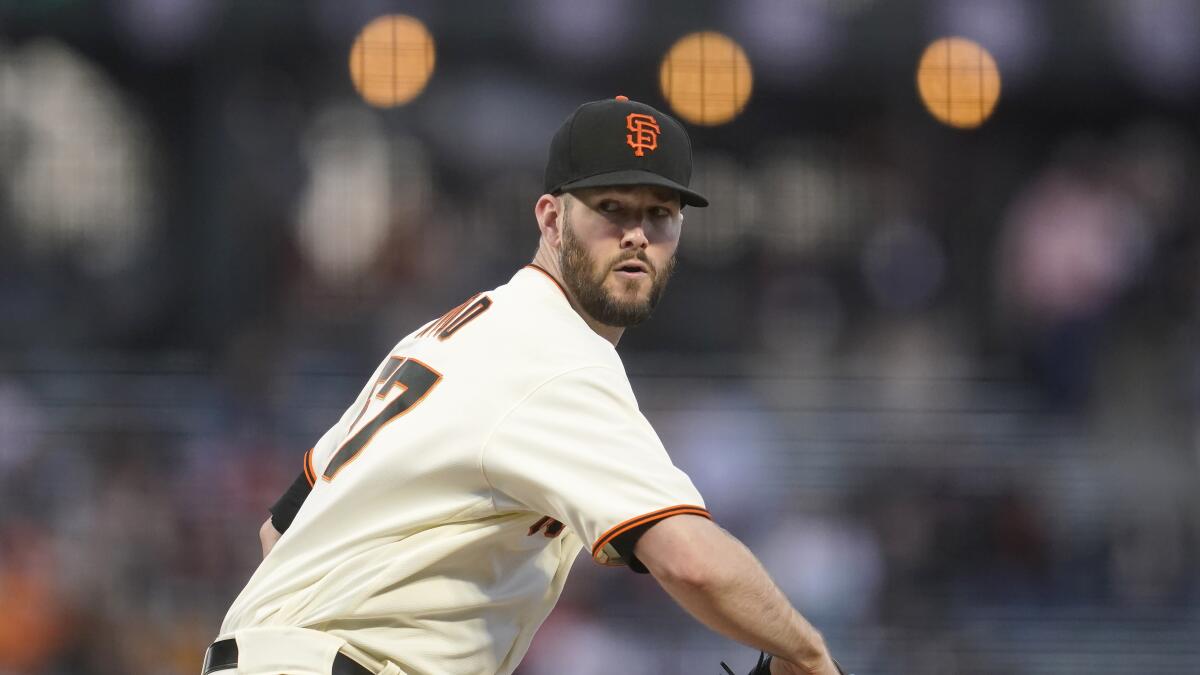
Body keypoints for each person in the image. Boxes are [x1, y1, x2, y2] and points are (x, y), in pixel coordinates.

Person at [204, 96, 844, 675]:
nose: (636, 235)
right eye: (610, 208)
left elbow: (279, 534)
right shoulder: (553, 353)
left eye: (660, 216)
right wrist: (809, 656)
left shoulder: (450, 334)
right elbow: (691, 560)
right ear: (551, 219)